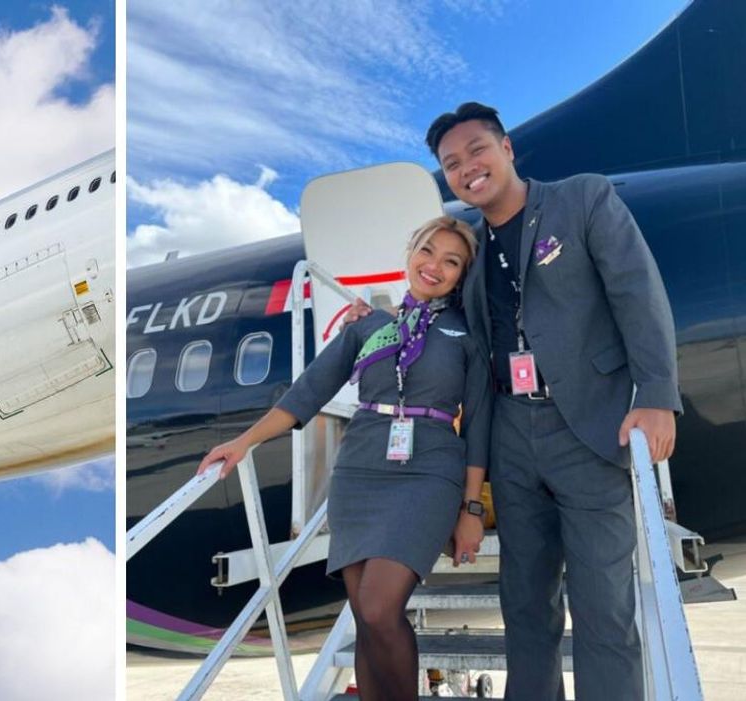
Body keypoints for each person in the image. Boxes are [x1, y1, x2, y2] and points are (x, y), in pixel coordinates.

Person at [343, 102, 679, 700]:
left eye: (477, 151)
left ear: (507, 149)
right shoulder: (468, 247)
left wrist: (655, 392)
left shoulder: (582, 200)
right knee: (525, 606)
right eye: (451, 164)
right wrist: (383, 319)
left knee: (604, 608)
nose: (467, 168)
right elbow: (439, 311)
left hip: (588, 429)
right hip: (510, 436)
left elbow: (637, 291)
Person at [198, 216, 491, 700]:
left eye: (451, 261)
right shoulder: (369, 326)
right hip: (359, 471)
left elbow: (478, 423)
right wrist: (243, 441)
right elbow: (306, 394)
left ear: (463, 275)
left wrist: (471, 507)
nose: (434, 266)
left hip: (429, 470)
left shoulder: (468, 335)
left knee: (379, 608)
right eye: (427, 251)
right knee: (365, 617)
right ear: (410, 254)